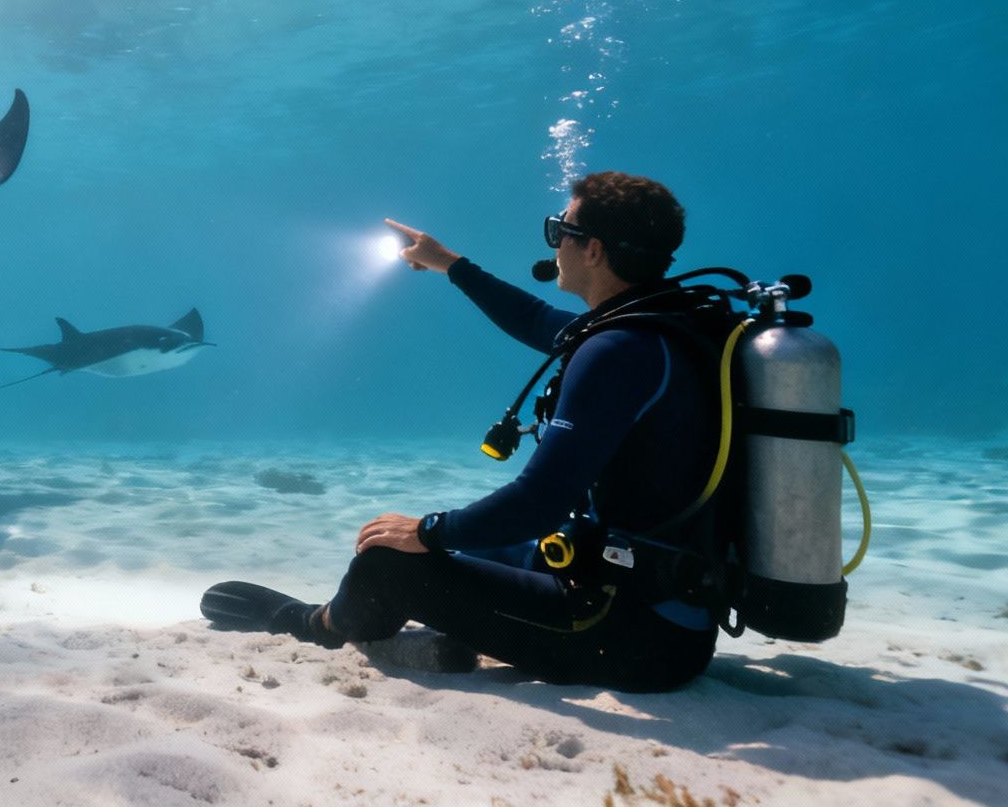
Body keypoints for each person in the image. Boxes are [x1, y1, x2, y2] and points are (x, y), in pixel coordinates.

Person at [202, 171, 722, 693]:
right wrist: (448, 263)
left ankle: (311, 624)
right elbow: (533, 317)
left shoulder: (614, 352)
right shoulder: (662, 330)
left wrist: (429, 529)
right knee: (463, 549)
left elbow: (539, 500)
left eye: (559, 229)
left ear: (593, 252)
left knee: (385, 560)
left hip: (629, 640)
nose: (555, 242)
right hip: (669, 613)